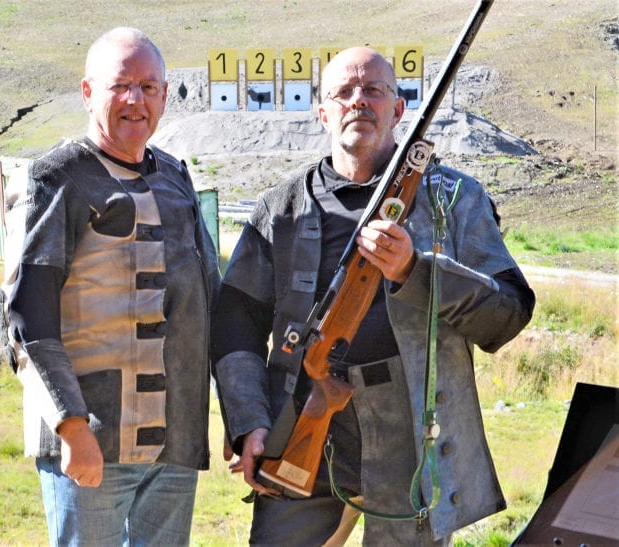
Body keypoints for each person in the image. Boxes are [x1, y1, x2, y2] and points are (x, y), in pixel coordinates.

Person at [212, 46, 535, 545]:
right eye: (343, 92)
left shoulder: (453, 198)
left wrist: (416, 270)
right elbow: (235, 323)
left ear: (399, 109)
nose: (358, 101)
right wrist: (249, 423)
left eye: (374, 91)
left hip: (415, 442)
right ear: (321, 111)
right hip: (302, 428)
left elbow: (508, 315)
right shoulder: (280, 208)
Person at [0, 27, 220, 546]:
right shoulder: (55, 180)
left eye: (147, 86)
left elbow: (209, 302)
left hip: (174, 444)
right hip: (92, 441)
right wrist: (73, 427)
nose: (134, 100)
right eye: (120, 85)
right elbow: (26, 316)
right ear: (87, 92)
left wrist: (238, 416)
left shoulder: (175, 178)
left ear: (164, 95)